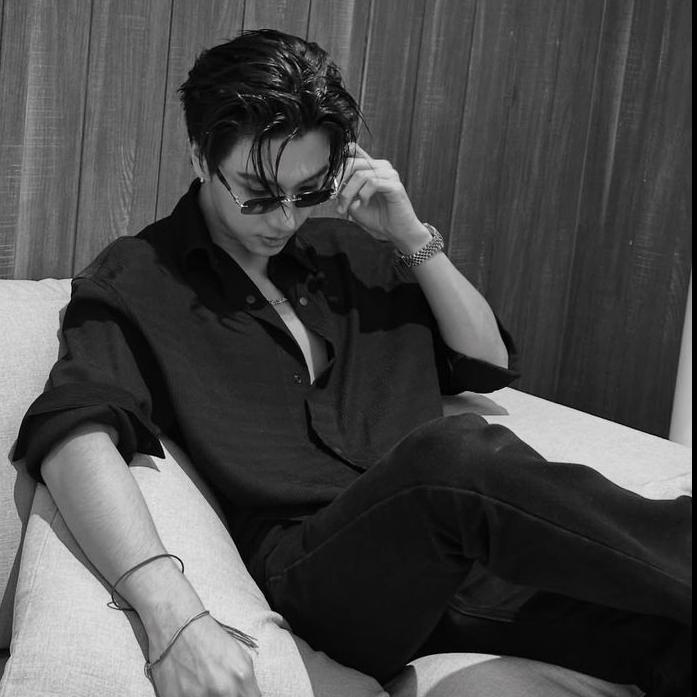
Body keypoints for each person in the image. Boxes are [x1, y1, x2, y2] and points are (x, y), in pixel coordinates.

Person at [14, 29, 690, 697]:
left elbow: (484, 362)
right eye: (257, 192)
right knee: (452, 454)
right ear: (199, 156)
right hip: (321, 578)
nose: (284, 219)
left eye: (309, 191)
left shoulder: (352, 254)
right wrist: (175, 618)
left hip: (457, 572)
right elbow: (74, 436)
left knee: (666, 637)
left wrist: (408, 234)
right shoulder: (140, 277)